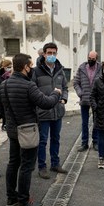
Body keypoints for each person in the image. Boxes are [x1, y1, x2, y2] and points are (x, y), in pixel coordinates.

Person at [0, 53, 61, 206]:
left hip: (13, 131)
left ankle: (11, 198)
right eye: (31, 65)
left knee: (13, 163)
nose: (32, 68)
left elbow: (0, 110)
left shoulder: (3, 85)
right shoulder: (28, 86)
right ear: (25, 67)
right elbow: (46, 103)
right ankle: (24, 201)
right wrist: (56, 93)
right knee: (26, 166)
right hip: (28, 131)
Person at [32, 42, 69, 179]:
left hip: (57, 111)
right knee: (42, 141)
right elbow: (33, 90)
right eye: (49, 53)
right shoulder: (36, 71)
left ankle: (55, 163)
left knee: (56, 139)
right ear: (44, 54)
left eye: (54, 53)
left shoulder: (60, 70)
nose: (51, 55)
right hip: (42, 112)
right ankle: (42, 167)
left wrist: (64, 99)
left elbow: (65, 88)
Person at [73, 50, 101, 152]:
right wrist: (80, 93)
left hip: (96, 100)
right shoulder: (81, 68)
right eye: (89, 58)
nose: (90, 60)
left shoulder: (100, 68)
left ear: (96, 59)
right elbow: (76, 83)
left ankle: (95, 142)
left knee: (96, 122)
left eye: (93, 59)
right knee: (84, 123)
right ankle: (84, 143)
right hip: (84, 99)